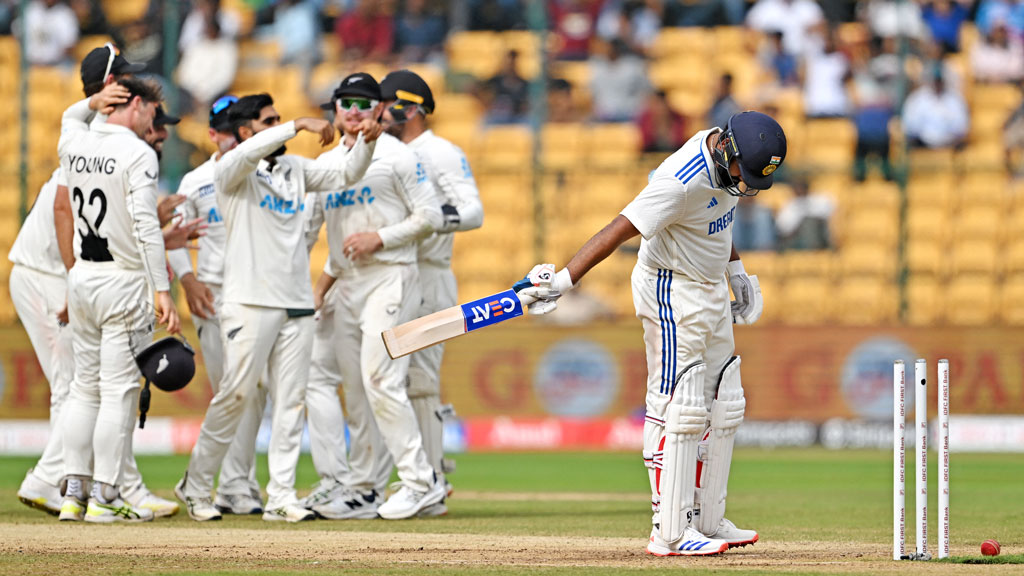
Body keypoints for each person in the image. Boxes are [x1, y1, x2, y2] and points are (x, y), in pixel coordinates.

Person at [517, 111, 786, 556]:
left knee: (725, 398)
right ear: (728, 150)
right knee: (677, 405)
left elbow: (717, 218)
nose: (749, 185)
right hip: (671, 287)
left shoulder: (728, 166)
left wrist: (734, 270)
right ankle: (670, 531)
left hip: (709, 285)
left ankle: (708, 519)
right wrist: (565, 280)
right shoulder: (681, 180)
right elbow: (620, 228)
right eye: (747, 173)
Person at [177, 92, 380, 523]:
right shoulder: (231, 171)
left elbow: (344, 173)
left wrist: (368, 142)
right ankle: (195, 486)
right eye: (267, 121)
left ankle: (281, 495)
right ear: (246, 132)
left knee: (289, 403)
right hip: (249, 301)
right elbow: (247, 154)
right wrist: (297, 126)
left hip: (295, 301)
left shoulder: (293, 170)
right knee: (234, 395)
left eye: (278, 118)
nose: (278, 124)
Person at [306, 72, 446, 520]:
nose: (353, 111)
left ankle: (420, 482)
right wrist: (321, 288)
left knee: (382, 379)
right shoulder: (330, 163)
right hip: (347, 284)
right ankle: (365, 488)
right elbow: (335, 239)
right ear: (334, 109)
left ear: (379, 110)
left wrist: (381, 238)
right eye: (344, 102)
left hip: (392, 276)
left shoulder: (397, 156)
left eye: (363, 103)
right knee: (359, 389)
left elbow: (432, 216)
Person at [56, 75, 180, 524]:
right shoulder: (137, 153)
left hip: (82, 277)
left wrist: (91, 101)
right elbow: (147, 226)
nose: (153, 121)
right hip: (123, 282)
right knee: (119, 392)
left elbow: (69, 115)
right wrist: (161, 289)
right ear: (133, 105)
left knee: (82, 389)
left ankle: (73, 494)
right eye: (150, 109)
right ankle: (107, 496)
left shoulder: (75, 140)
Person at [379, 69, 485, 513]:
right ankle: (414, 477)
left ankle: (432, 480)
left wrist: (425, 221)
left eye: (387, 104)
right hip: (390, 274)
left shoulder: (439, 151)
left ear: (412, 108)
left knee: (419, 379)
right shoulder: (385, 152)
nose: (378, 112)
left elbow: (473, 212)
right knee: (387, 378)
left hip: (429, 272)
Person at [166, 96, 267, 517]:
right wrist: (187, 281)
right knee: (233, 391)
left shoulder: (263, 172)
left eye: (240, 127)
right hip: (215, 293)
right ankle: (224, 482)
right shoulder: (195, 180)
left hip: (260, 294)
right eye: (227, 130)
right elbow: (171, 237)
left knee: (254, 391)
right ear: (212, 134)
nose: (234, 137)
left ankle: (236, 482)